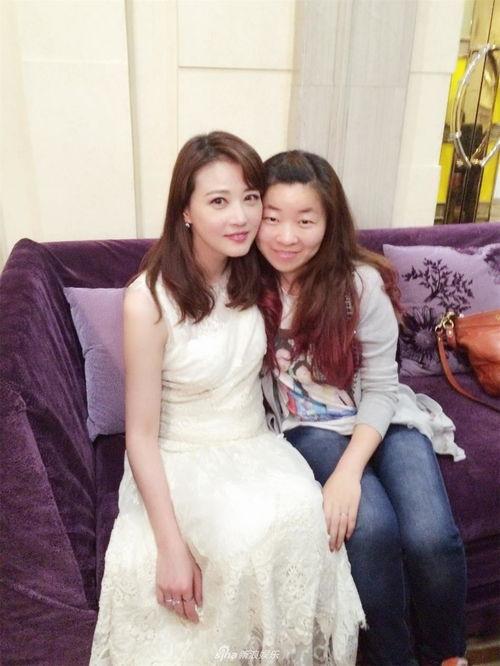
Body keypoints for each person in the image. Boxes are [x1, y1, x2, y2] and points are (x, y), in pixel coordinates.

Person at [90, 133, 365, 665]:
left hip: (254, 441)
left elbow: (328, 261)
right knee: (238, 538)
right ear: (186, 211)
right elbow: (140, 435)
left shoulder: (257, 270)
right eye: (218, 201)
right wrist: (170, 546)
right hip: (181, 452)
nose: (240, 217)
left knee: (304, 514)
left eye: (250, 197)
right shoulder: (148, 300)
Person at [256, 150, 468, 666]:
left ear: (329, 222)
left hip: (385, 417)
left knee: (430, 535)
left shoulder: (359, 284)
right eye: (272, 218)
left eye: (305, 220)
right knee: (369, 529)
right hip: (309, 425)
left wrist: (349, 471)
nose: (286, 236)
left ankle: (448, 655)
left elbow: (381, 386)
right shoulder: (246, 285)